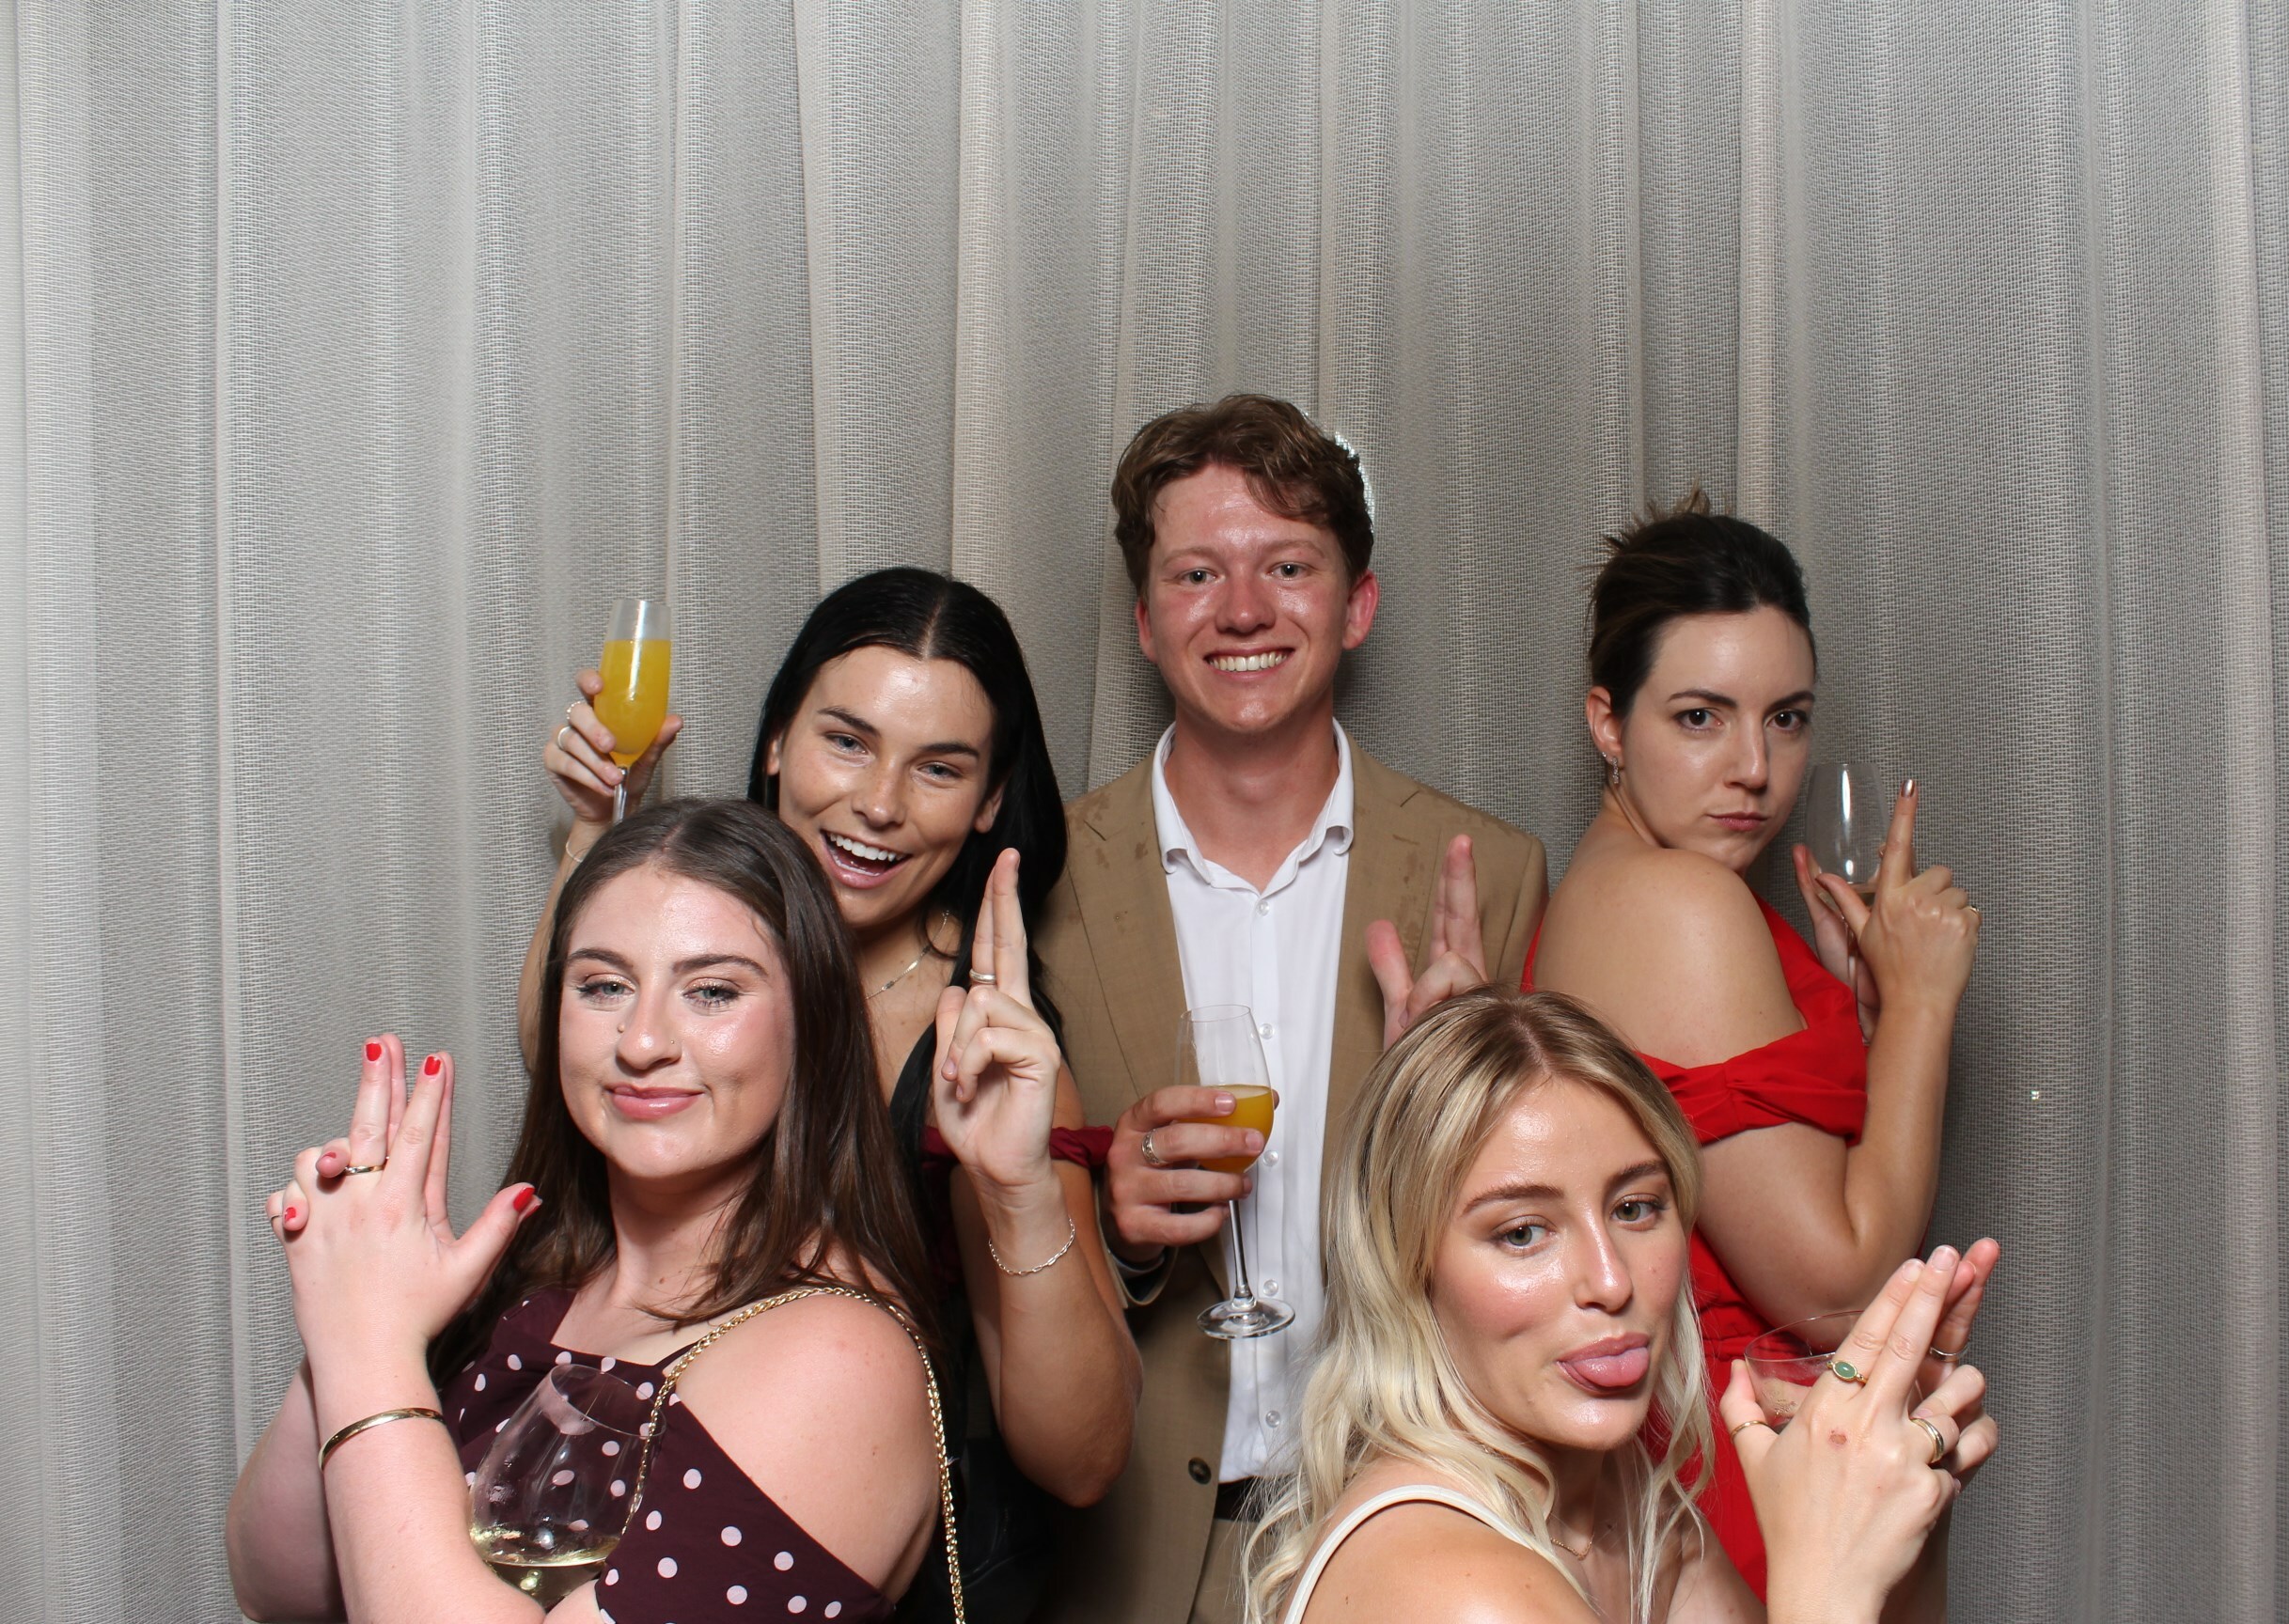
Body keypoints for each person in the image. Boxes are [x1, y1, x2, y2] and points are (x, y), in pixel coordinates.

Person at [227, 797, 1070, 1620]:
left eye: (713, 992)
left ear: (810, 1024)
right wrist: (348, 1313)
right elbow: (286, 1590)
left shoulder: (836, 1361)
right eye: (603, 986)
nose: (641, 1041)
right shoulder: (531, 1280)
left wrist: (370, 1347)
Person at [523, 569, 1139, 1619]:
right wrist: (600, 830)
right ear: (776, 741)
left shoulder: (980, 1045)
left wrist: (1020, 1187)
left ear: (991, 801)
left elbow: (1081, 1459)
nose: (880, 803)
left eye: (939, 768)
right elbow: (564, 1064)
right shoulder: (682, 944)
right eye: (847, 741)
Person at [1034, 394, 1548, 1624]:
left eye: (1287, 567)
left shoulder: (1495, 876)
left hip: (1402, 1540)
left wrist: (1463, 1106)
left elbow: (1550, 1243)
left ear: (1357, 606)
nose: (1243, 610)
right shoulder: (1043, 881)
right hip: (1127, 1560)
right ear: (1146, 621)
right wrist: (1112, 1230)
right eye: (1196, 573)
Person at [1522, 492, 1989, 1595]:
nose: (1754, 767)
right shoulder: (1680, 903)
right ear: (1607, 724)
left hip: (1732, 1446)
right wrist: (1922, 1006)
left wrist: (1861, 1017)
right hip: (1740, 1461)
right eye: (1700, 718)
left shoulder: (1632, 886)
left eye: (1787, 718)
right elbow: (1837, 1287)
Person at [1245, 990, 1999, 1624]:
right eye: (1522, 1232)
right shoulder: (1456, 1590)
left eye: (1635, 1208)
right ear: (1405, 1271)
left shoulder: (1623, 1506)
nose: (1611, 1281)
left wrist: (1905, 1491)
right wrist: (1825, 1572)